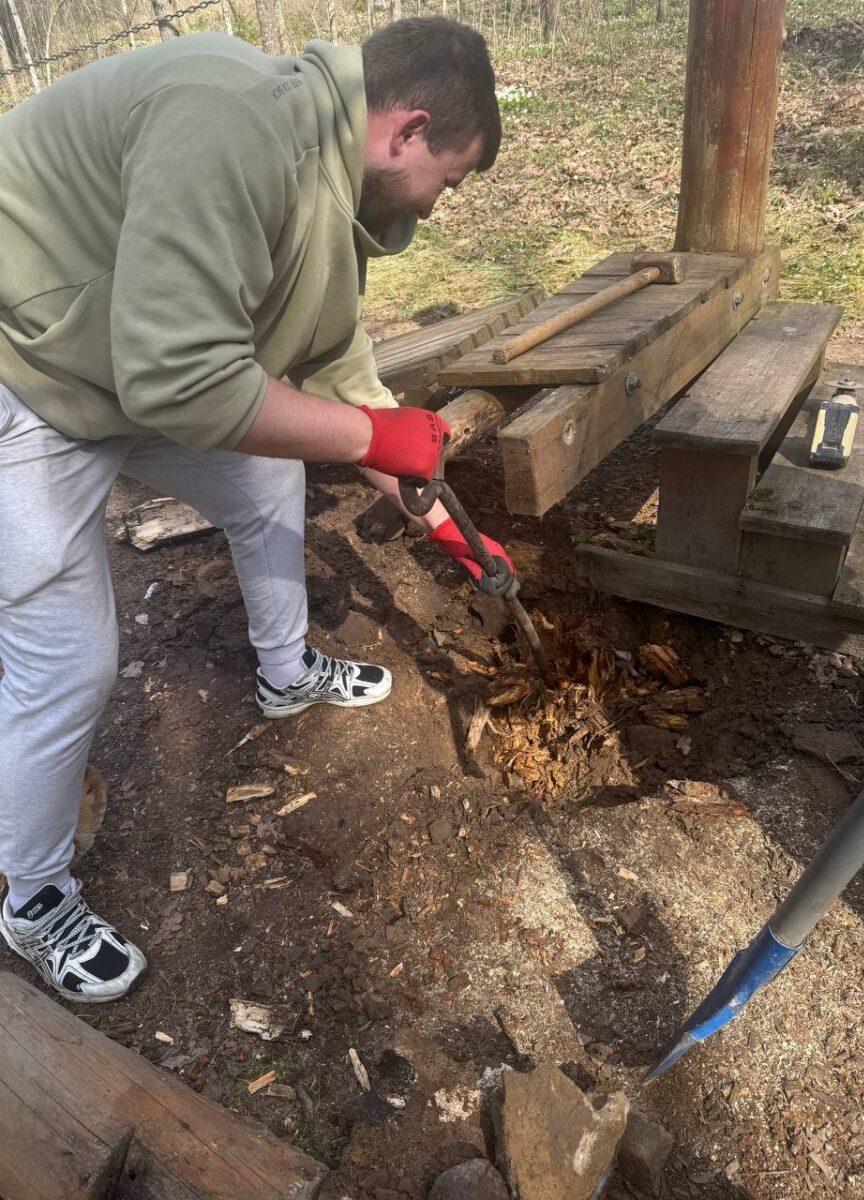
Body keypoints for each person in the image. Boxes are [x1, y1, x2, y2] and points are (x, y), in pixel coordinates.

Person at [0, 17, 515, 1003]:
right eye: (449, 179)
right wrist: (373, 439)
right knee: (66, 663)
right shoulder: (231, 121)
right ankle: (32, 897)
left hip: (126, 358)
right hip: (24, 361)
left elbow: (328, 361)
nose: (441, 209)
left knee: (267, 473)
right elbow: (182, 381)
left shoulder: (322, 172)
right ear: (406, 131)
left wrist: (438, 508)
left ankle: (286, 674)